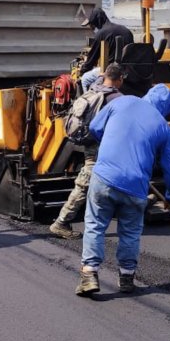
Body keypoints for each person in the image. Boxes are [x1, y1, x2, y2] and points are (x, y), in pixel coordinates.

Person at [76, 83, 170, 296]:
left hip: (104, 177)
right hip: (135, 186)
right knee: (131, 232)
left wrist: (111, 143)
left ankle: (89, 274)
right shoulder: (164, 128)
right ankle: (126, 277)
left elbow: (95, 127)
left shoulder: (121, 102)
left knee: (95, 225)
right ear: (166, 108)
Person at [49, 62, 125, 239]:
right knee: (86, 182)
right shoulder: (115, 97)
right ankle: (61, 222)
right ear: (120, 79)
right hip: (100, 145)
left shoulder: (94, 87)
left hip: (88, 140)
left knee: (111, 178)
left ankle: (134, 205)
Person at [78, 9, 134, 78]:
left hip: (111, 71)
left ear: (97, 22)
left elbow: (92, 59)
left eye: (92, 25)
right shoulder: (126, 30)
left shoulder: (101, 34)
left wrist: (82, 72)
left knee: (86, 79)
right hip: (129, 70)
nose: (92, 28)